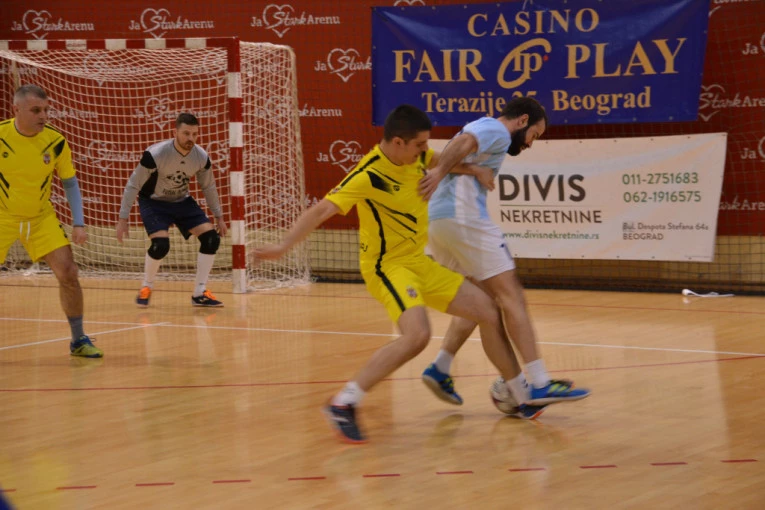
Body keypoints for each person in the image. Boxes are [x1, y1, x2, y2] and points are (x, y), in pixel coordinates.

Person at [255, 105, 546, 444]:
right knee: (417, 335)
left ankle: (523, 398)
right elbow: (322, 210)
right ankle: (344, 402)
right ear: (398, 142)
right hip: (387, 267)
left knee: (488, 310)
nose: (425, 150)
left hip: (419, 262)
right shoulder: (368, 175)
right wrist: (282, 246)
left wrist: (474, 170)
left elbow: (441, 160)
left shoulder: (417, 157)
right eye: (420, 144)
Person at [418, 97, 589, 406]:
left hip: (440, 223)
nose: (531, 143)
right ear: (522, 121)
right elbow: (462, 144)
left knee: (481, 305)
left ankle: (441, 367)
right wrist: (440, 172)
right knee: (512, 297)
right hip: (465, 218)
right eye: (534, 134)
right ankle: (539, 383)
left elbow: (453, 150)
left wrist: (471, 170)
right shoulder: (496, 129)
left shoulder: (483, 130)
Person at [0, 84, 102, 358]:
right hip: (3, 216)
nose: (43, 116)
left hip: (40, 218)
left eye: (46, 110)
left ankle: (78, 339)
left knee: (68, 272)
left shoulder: (55, 141)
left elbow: (70, 183)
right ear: (16, 109)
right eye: (36, 110)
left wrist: (78, 222)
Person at [116, 113, 228, 308]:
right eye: (186, 133)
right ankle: (146, 286)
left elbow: (208, 187)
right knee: (161, 245)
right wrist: (122, 219)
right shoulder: (156, 154)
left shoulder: (201, 157)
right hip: (154, 202)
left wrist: (219, 217)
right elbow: (133, 185)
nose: (191, 138)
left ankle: (199, 292)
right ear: (175, 132)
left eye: (195, 134)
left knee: (211, 239)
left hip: (182, 201)